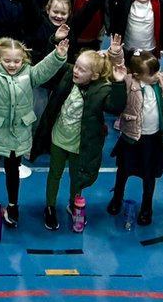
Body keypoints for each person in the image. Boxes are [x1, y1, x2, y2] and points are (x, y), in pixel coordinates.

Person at [0, 36, 68, 228]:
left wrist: (58, 56)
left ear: (23, 60)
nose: (12, 65)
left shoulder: (29, 74)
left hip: (17, 137)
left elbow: (44, 69)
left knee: (13, 172)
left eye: (17, 61)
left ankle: (13, 207)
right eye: (7, 61)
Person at [31, 46, 127, 232]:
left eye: (82, 69)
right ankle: (50, 207)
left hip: (80, 144)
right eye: (76, 66)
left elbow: (115, 107)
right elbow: (50, 69)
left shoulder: (101, 89)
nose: (76, 70)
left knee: (77, 177)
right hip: (58, 138)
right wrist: (56, 47)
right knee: (54, 174)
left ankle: (74, 203)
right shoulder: (67, 76)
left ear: (94, 76)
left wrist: (119, 83)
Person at [107, 37, 163, 227]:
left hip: (153, 139)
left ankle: (147, 206)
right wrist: (115, 52)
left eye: (157, 70)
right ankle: (117, 198)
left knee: (149, 176)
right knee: (123, 171)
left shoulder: (160, 80)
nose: (157, 75)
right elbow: (118, 67)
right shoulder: (129, 83)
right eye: (152, 72)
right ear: (137, 74)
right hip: (132, 137)